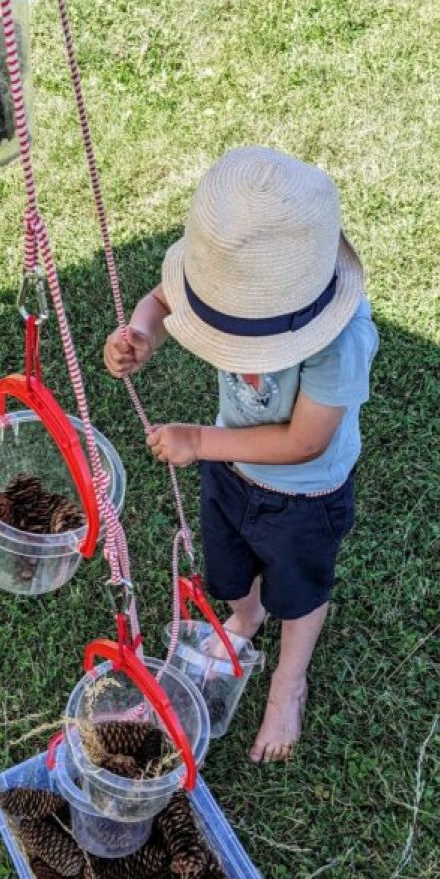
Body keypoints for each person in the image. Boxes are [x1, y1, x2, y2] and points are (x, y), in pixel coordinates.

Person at [104, 147, 378, 761]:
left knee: (299, 589)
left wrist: (201, 442)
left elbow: (307, 441)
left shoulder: (340, 339)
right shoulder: (224, 276)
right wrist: (140, 334)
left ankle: (288, 680)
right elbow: (162, 300)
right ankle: (243, 620)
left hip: (307, 492)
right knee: (230, 568)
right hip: (231, 471)